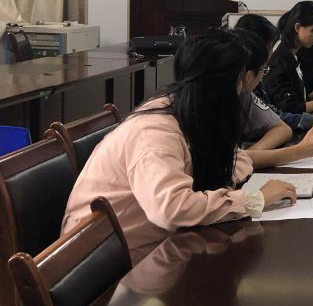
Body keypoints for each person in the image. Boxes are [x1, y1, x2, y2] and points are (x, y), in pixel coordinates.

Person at [61, 30, 300, 264]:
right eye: (240, 80)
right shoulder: (155, 131)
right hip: (107, 263)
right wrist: (254, 200)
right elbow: (171, 209)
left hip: (156, 245)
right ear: (223, 85)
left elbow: (235, 160)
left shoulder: (194, 110)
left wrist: (230, 176)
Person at [231, 27, 313, 170]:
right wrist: (301, 151)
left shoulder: (246, 94)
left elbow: (282, 128)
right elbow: (227, 163)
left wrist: (250, 155)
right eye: (264, 70)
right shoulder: (212, 104)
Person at [234, 13, 313, 133]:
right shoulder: (249, 81)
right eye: (270, 47)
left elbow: (272, 115)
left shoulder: (252, 82)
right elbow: (278, 115)